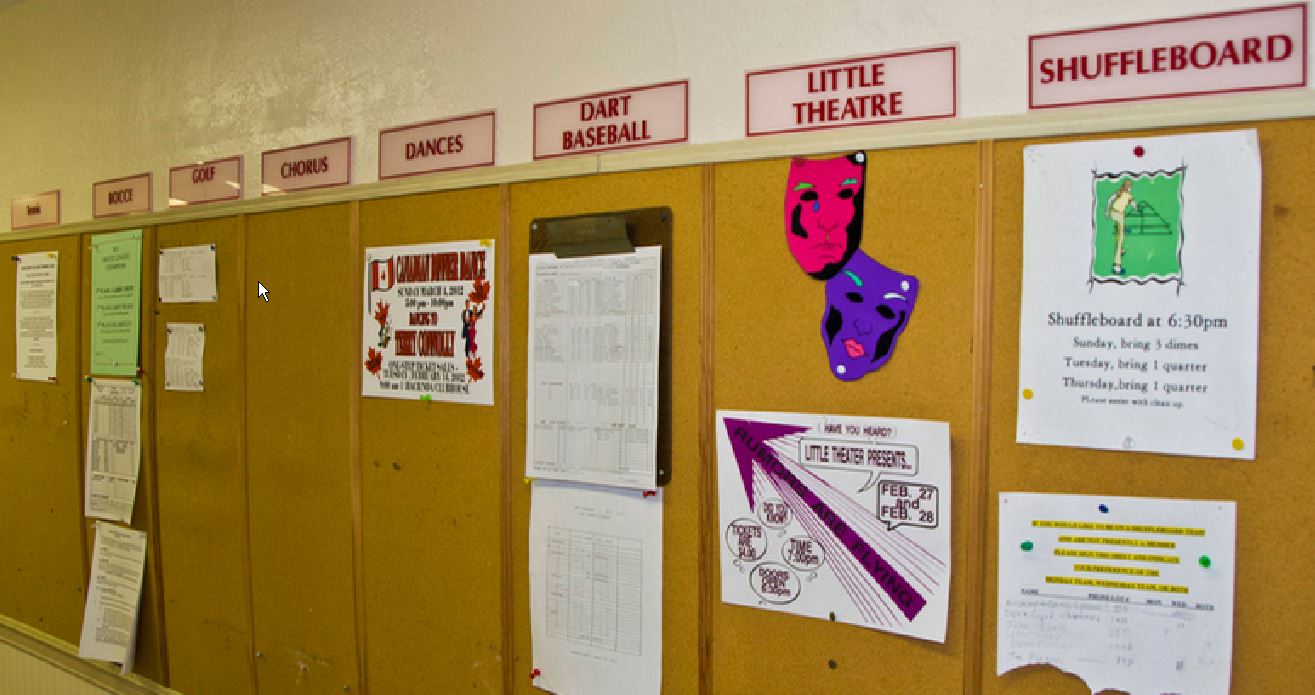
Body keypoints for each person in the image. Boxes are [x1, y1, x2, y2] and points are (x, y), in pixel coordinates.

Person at [1104, 178, 1137, 275]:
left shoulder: (1123, 193)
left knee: (1120, 234)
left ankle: (1121, 248)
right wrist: (1135, 206)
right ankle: (1117, 266)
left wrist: (1107, 211)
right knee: (1120, 238)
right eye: (1130, 187)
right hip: (1118, 215)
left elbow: (1110, 199)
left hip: (1114, 213)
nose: (1130, 188)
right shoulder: (1124, 193)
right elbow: (1133, 203)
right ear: (1128, 187)